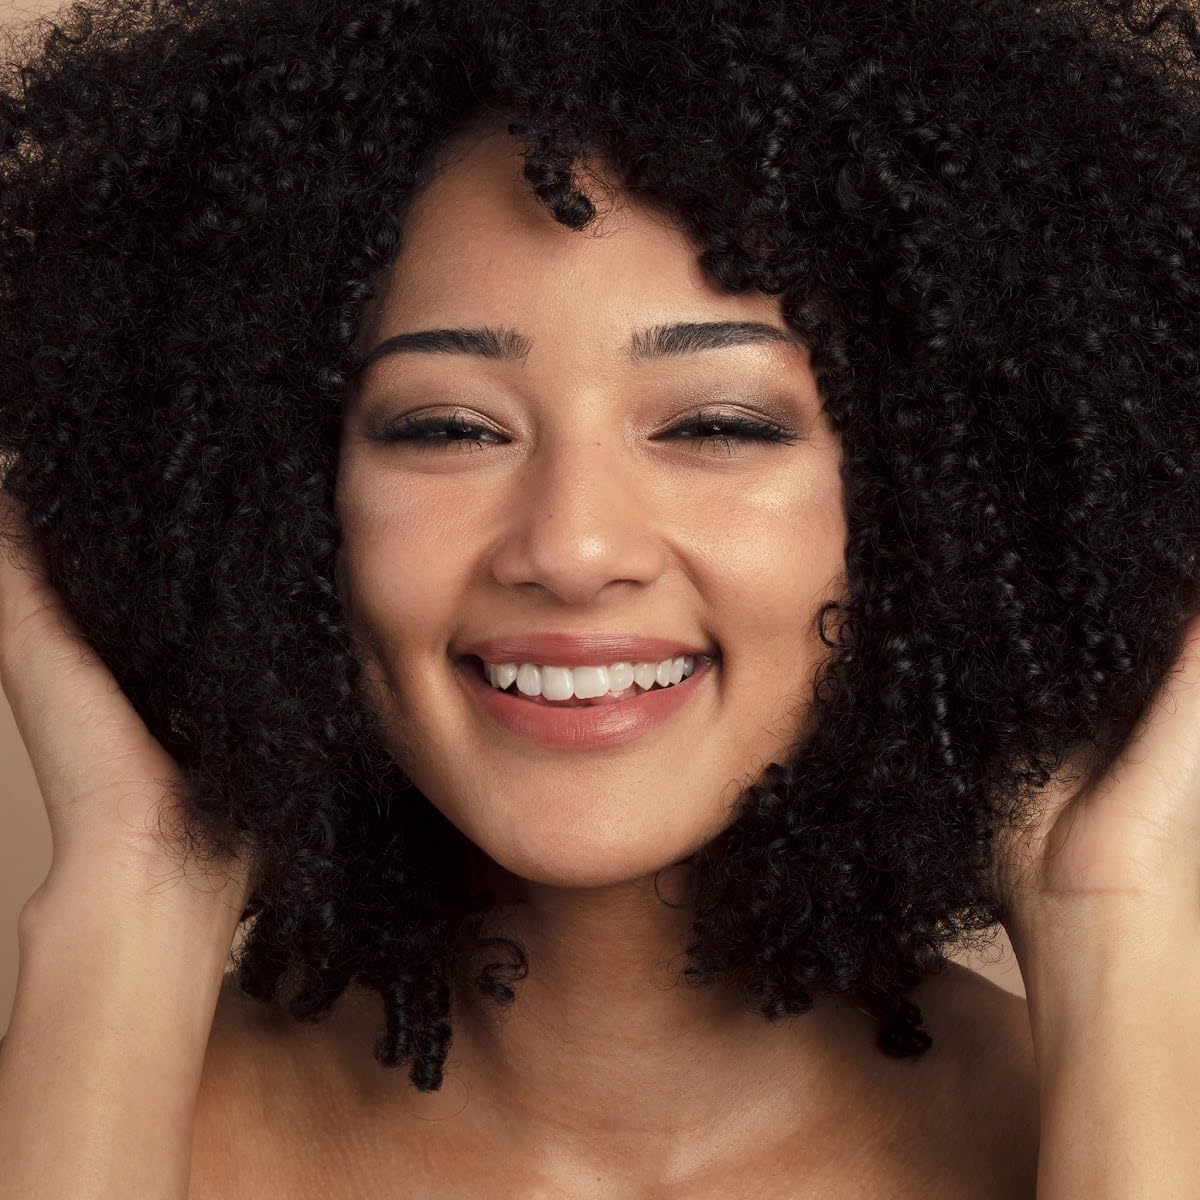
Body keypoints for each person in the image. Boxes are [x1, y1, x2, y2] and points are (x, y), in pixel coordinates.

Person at [0, 0, 1198, 1195]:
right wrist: (137, 888)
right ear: (274, 499)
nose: (571, 547)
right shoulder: (80, 1105)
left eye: (718, 425)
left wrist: (1116, 918)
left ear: (948, 499)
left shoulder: (1116, 1115)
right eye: (449, 426)